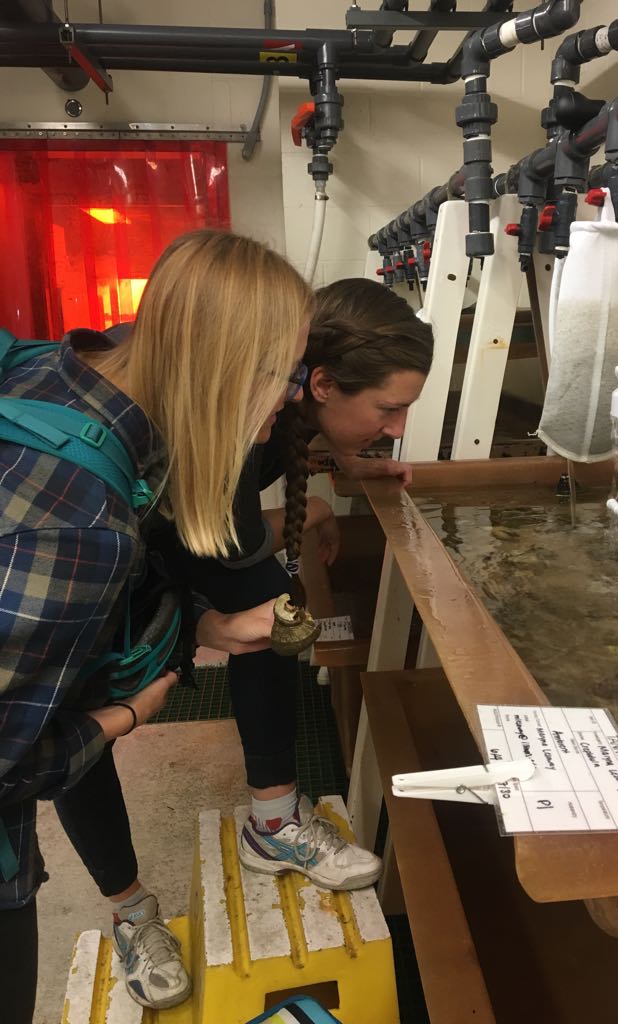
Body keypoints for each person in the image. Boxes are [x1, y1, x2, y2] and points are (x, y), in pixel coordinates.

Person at [0, 229, 315, 1024]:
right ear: (224, 372)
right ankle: (130, 908)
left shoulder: (57, 372)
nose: (285, 401)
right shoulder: (77, 530)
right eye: (282, 375)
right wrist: (123, 715)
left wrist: (199, 625)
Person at [162, 277, 434, 890]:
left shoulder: (288, 402)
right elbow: (226, 538)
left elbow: (289, 450)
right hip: (119, 553)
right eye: (388, 408)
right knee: (266, 602)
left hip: (173, 526)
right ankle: (272, 823)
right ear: (321, 384)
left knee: (267, 601)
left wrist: (346, 461)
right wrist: (308, 513)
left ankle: (271, 815)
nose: (397, 427)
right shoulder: (243, 407)